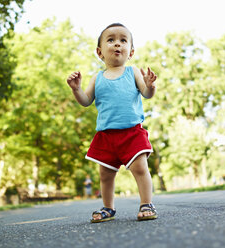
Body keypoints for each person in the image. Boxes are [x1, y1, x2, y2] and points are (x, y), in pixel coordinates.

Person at [66, 23, 158, 223]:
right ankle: (108, 208)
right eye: (111, 40)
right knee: (105, 175)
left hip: (131, 133)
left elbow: (147, 94)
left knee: (140, 168)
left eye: (123, 40)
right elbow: (85, 101)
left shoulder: (132, 72)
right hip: (106, 136)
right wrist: (76, 89)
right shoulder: (97, 78)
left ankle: (146, 203)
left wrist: (150, 86)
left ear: (131, 52)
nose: (117, 44)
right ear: (100, 52)